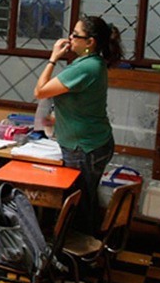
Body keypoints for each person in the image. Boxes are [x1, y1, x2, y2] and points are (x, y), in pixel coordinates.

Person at [35, 14, 124, 235]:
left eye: (76, 35)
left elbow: (40, 90)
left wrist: (53, 58)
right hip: (93, 141)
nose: (70, 38)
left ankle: (80, 253)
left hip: (85, 148)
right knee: (85, 200)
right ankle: (85, 251)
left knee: (78, 205)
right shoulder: (90, 63)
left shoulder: (86, 67)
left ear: (90, 42)